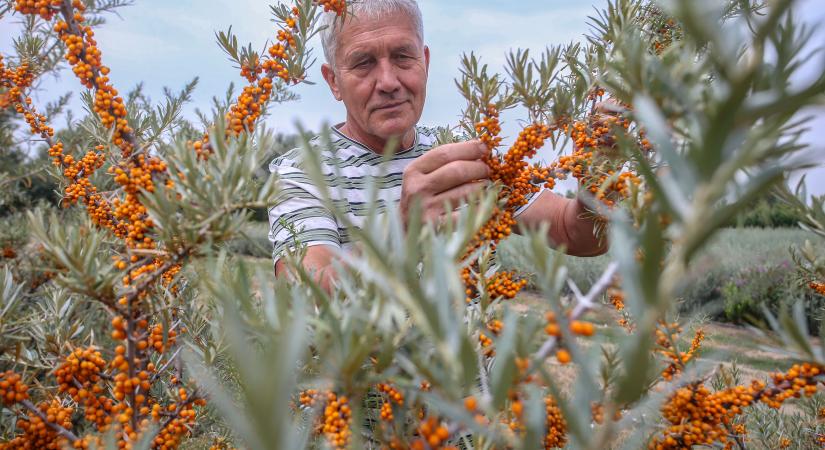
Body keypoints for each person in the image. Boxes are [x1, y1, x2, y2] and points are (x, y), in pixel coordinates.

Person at [268, 0, 607, 291]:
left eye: (403, 56)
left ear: (425, 63)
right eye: (363, 63)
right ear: (333, 81)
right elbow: (302, 300)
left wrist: (601, 171)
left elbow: (576, 233)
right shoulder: (299, 174)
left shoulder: (464, 160)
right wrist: (401, 232)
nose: (388, 82)